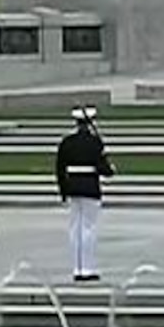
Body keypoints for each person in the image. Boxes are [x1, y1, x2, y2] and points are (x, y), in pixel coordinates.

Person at [55, 106, 115, 282]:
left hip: (72, 187)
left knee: (75, 229)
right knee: (88, 229)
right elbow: (102, 167)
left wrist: (63, 190)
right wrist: (111, 170)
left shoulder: (67, 142)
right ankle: (87, 268)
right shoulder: (95, 142)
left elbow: (59, 169)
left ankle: (77, 268)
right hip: (90, 188)